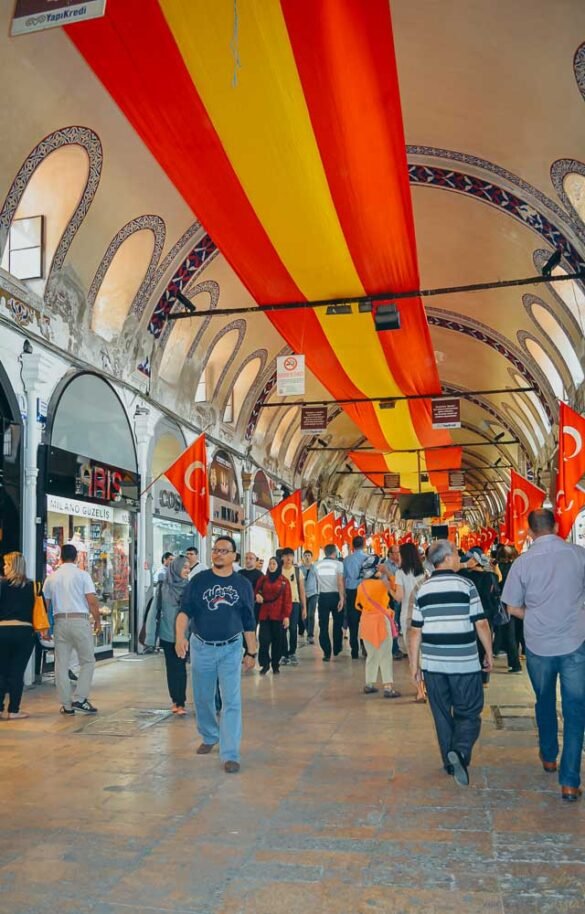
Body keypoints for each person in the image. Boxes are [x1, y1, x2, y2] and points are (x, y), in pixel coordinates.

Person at [502, 509, 585, 802]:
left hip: (538, 645)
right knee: (576, 710)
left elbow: (511, 607)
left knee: (545, 700)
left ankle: (549, 755)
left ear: (529, 531)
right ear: (557, 525)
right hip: (575, 641)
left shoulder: (522, 563)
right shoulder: (578, 555)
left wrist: (535, 615)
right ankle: (570, 781)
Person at [409, 540, 493, 787]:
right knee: (469, 711)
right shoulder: (466, 585)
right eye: (457, 554)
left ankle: (449, 762)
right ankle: (461, 750)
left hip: (434, 665)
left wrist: (414, 667)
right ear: (446, 558)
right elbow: (481, 623)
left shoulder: (422, 589)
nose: (459, 558)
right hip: (464, 664)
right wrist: (487, 652)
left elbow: (415, 631)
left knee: (442, 714)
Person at [176, 536, 257, 774]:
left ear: (234, 556)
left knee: (231, 700)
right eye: (215, 550)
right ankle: (210, 735)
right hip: (201, 646)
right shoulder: (199, 580)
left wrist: (252, 651)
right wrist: (180, 636)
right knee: (202, 697)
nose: (219, 554)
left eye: (224, 550)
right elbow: (184, 612)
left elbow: (248, 620)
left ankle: (230, 753)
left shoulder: (242, 584)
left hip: (231, 648)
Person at [43, 544, 101, 715]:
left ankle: (67, 705)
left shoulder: (51, 578)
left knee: (61, 664)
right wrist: (97, 619)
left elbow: (45, 606)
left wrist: (45, 627)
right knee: (88, 661)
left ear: (60, 557)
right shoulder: (83, 575)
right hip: (79, 621)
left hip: (60, 622)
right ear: (76, 558)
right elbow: (91, 600)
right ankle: (80, 699)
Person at [146, 555, 189, 714]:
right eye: (184, 567)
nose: (187, 570)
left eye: (188, 567)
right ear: (176, 568)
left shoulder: (190, 588)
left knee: (180, 667)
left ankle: (181, 702)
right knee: (172, 668)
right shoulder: (163, 587)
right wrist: (150, 637)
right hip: (167, 634)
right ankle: (175, 700)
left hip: (184, 635)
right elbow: (153, 612)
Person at [0, 552, 41, 719]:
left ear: (12, 566)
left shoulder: (1, 585)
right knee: (17, 672)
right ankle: (13, 710)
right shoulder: (33, 586)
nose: (4, 567)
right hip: (24, 632)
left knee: (1, 672)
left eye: (6, 564)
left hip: (2, 630)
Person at [355, 556, 400, 699]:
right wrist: (388, 573)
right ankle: (388, 687)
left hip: (366, 622)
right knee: (385, 655)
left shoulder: (360, 586)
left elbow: (358, 605)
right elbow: (396, 592)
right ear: (375, 570)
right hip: (381, 621)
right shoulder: (383, 584)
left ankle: (369, 684)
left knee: (372, 655)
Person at [459, 551, 501, 684]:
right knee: (484, 643)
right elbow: (498, 583)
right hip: (486, 614)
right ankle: (484, 678)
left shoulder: (463, 575)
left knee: (471, 644)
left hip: (468, 614)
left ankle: (471, 673)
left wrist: (465, 565)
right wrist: (495, 567)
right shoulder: (490, 576)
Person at [394, 543, 428, 701]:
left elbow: (398, 597)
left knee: (413, 655)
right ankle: (426, 687)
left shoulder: (400, 573)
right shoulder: (425, 573)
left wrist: (388, 587)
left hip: (408, 617)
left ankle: (420, 690)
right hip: (424, 617)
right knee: (423, 653)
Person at [255, 557, 292, 674]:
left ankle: (275, 664)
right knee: (264, 640)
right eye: (270, 563)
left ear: (278, 566)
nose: (271, 566)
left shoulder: (284, 581)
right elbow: (256, 591)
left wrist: (286, 616)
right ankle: (264, 664)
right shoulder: (263, 579)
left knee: (277, 641)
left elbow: (287, 600)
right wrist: (257, 595)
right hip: (265, 614)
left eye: (274, 564)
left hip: (279, 615)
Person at [315, 544, 345, 661]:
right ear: (335, 552)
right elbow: (340, 582)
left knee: (323, 626)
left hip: (323, 597)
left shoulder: (317, 565)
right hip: (335, 596)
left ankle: (326, 652)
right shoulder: (339, 564)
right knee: (338, 623)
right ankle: (337, 648)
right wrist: (342, 598)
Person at [279, 548, 306, 666]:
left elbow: (302, 590)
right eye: (286, 556)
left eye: (291, 556)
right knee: (282, 629)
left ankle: (292, 653)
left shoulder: (297, 571)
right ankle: (284, 654)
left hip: (294, 603)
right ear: (282, 557)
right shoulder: (278, 571)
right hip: (280, 604)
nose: (289, 558)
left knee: (293, 628)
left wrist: (304, 607)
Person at [343, 536, 369, 659]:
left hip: (351, 591)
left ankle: (354, 650)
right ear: (364, 545)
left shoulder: (347, 560)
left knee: (353, 621)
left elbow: (343, 578)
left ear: (352, 546)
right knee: (365, 620)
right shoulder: (368, 559)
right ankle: (365, 646)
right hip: (365, 591)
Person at [300, 550, 319, 644]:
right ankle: (308, 630)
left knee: (311, 614)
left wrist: (318, 592)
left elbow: (318, 580)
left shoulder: (315, 568)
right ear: (303, 557)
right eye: (305, 555)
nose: (307, 557)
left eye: (309, 555)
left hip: (313, 594)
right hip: (302, 594)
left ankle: (310, 635)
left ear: (312, 557)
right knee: (304, 615)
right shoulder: (299, 569)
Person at [238, 552, 264, 624]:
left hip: (254, 606)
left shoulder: (260, 575)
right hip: (241, 605)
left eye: (251, 558)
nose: (248, 560)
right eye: (246, 558)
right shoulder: (239, 573)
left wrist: (258, 595)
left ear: (255, 561)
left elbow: (262, 590)